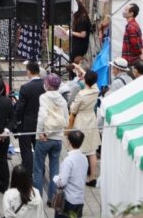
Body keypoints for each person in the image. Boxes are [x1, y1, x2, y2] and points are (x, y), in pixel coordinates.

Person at [33, 73, 68, 205]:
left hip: (44, 137)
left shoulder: (44, 97)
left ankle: (38, 199)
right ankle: (52, 199)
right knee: (55, 168)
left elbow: (42, 115)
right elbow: (65, 118)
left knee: (38, 169)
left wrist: (39, 133)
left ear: (47, 84)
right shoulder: (63, 100)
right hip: (57, 138)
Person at [67, 70, 100, 186]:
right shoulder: (96, 90)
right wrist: (80, 69)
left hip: (81, 120)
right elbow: (91, 79)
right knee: (91, 151)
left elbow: (73, 108)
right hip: (92, 118)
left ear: (85, 79)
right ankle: (92, 176)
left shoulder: (82, 94)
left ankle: (75, 175)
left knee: (77, 148)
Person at [13, 61, 45, 171]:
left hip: (26, 122)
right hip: (41, 121)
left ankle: (28, 170)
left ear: (29, 71)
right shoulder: (45, 85)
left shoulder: (25, 87)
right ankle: (40, 168)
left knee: (26, 148)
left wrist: (17, 121)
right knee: (38, 147)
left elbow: (20, 107)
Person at [53, 130, 87, 218]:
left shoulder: (69, 160)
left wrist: (56, 178)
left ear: (69, 142)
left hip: (68, 200)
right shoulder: (84, 158)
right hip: (80, 199)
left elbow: (62, 182)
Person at [16, 0, 43, 64]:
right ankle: (28, 58)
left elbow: (43, 11)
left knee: (35, 41)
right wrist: (19, 24)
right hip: (26, 23)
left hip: (36, 24)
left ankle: (36, 58)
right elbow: (20, 10)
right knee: (26, 41)